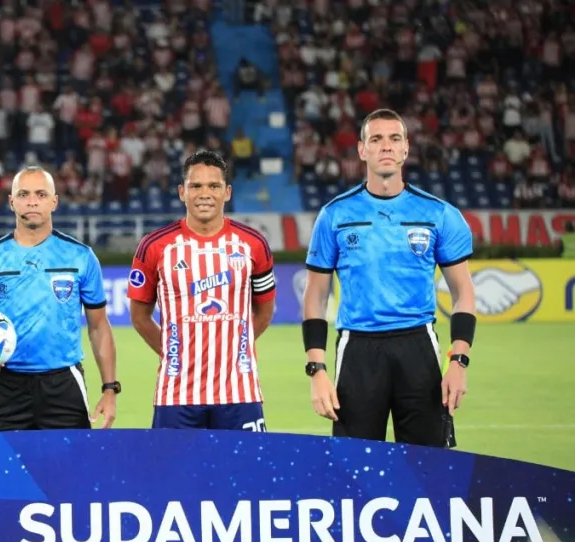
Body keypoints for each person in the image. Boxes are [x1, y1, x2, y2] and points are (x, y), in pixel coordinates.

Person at [302, 108, 477, 447]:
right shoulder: (334, 215)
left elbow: (464, 293)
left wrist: (459, 360)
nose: (386, 146)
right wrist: (316, 369)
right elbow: (315, 297)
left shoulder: (439, 214)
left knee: (430, 466)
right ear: (361, 149)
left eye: (394, 138)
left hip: (418, 348)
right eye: (376, 139)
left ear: (406, 149)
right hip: (357, 350)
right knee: (356, 472)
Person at [0, 166, 118, 431]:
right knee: (7, 471)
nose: (32, 201)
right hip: (7, 385)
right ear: (11, 202)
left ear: (54, 201)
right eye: (23, 194)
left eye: (41, 194)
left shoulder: (80, 256)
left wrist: (110, 388)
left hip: (64, 384)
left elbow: (99, 325)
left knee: (69, 471)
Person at [127, 150, 277, 430]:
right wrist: (173, 354)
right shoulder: (155, 246)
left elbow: (265, 309)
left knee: (244, 473)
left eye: (214, 186)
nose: (204, 193)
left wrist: (236, 348)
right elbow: (139, 316)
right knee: (174, 475)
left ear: (227, 192)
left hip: (240, 392)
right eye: (196, 186)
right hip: (177, 395)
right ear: (182, 192)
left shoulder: (253, 244)